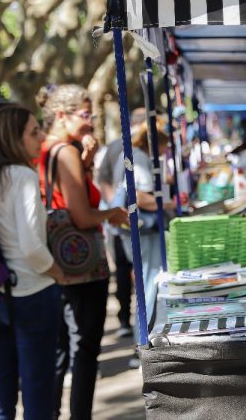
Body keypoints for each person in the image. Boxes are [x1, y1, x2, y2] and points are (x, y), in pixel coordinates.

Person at [36, 84, 128, 419]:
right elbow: (82, 215)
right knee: (85, 348)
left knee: (61, 348)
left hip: (55, 261)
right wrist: (114, 215)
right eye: (86, 115)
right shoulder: (66, 152)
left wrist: (87, 163)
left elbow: (61, 199)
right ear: (62, 115)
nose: (90, 123)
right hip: (82, 264)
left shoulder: (45, 149)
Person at [0, 106, 65, 419]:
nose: (41, 137)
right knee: (38, 394)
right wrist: (58, 272)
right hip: (30, 295)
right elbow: (33, 248)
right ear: (14, 137)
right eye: (33, 131)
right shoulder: (22, 176)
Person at [96, 108, 147, 339]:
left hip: (123, 217)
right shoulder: (119, 145)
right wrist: (115, 207)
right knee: (129, 268)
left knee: (128, 269)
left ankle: (128, 319)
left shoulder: (120, 145)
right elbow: (103, 179)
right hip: (124, 219)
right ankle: (127, 319)